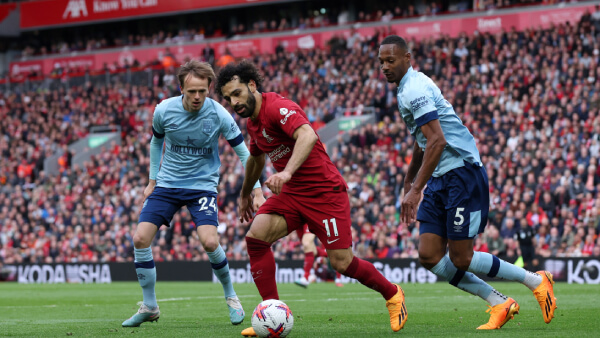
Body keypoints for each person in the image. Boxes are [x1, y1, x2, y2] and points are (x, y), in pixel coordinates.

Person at [215, 60, 407, 336]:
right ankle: (270, 315)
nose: (233, 102)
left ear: (252, 85)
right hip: (293, 194)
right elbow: (255, 160)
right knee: (256, 238)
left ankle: (392, 294)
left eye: (237, 93)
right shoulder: (254, 124)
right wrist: (246, 193)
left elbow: (307, 134)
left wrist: (287, 172)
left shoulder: (277, 107)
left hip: (323, 192)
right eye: (228, 98)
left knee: (341, 262)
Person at [378, 35, 557, 330]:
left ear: (407, 58)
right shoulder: (403, 90)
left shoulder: (415, 88)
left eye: (391, 60)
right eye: (381, 62)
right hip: (438, 175)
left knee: (462, 258)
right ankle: (500, 302)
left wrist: (415, 191)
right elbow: (422, 142)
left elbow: (437, 141)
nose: (385, 66)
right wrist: (409, 183)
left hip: (461, 172)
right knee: (429, 255)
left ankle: (536, 281)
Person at [122, 60, 264, 327]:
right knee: (140, 238)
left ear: (209, 88)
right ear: (181, 89)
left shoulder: (220, 114)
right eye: (192, 92)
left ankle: (231, 297)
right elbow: (156, 142)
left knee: (210, 242)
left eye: (203, 90)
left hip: (202, 185)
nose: (198, 96)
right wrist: (152, 181)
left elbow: (245, 152)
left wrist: (256, 189)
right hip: (167, 184)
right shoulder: (164, 110)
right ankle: (149, 306)